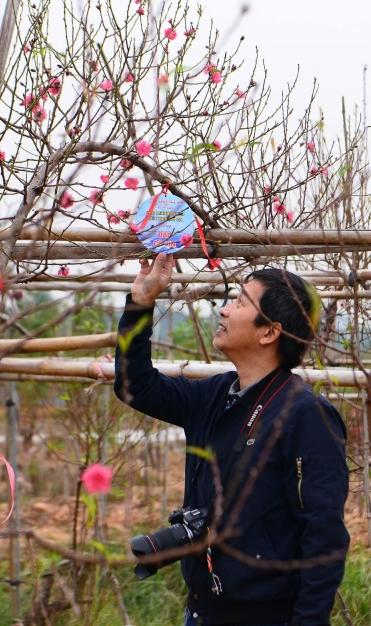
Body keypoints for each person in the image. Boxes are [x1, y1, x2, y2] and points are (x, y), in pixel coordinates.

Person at [114, 253, 350, 626]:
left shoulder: (307, 417)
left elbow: (324, 539)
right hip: (203, 611)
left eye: (239, 302)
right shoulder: (215, 395)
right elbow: (135, 386)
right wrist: (141, 304)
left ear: (269, 332)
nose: (224, 311)